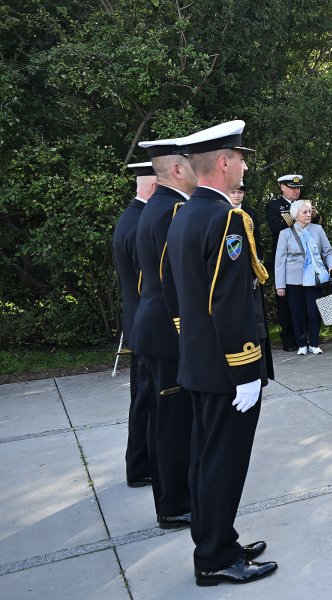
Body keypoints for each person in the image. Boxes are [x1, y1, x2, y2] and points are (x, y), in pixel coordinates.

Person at [165, 120, 277, 586]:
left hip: (199, 359)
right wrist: (246, 366)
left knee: (204, 456)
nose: (246, 165)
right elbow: (228, 302)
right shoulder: (225, 218)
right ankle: (213, 556)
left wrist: (189, 340)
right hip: (228, 367)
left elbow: (176, 294)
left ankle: (218, 537)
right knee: (222, 462)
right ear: (224, 163)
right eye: (242, 157)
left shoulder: (182, 214)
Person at [131, 139, 196, 531]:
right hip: (167, 332)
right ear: (176, 170)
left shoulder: (154, 207)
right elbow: (177, 282)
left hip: (152, 327)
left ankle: (172, 499)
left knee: (163, 420)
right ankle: (174, 505)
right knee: (173, 424)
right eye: (189, 164)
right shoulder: (172, 210)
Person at [112, 161, 155, 488]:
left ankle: (140, 464)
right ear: (153, 186)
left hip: (138, 323)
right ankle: (140, 466)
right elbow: (150, 284)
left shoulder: (132, 217)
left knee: (143, 398)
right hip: (146, 326)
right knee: (146, 401)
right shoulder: (141, 223)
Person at [275, 200, 332, 355]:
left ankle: (314, 344)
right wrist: (280, 285)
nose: (308, 214)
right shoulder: (285, 234)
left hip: (314, 278)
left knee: (313, 311)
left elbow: (328, 251)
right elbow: (280, 260)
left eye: (310, 211)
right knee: (296, 312)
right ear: (295, 215)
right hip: (293, 280)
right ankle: (302, 344)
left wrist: (331, 265)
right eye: (305, 212)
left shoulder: (318, 230)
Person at [230, 184, 274, 380]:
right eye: (234, 192)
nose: (238, 195)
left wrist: (257, 268)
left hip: (250, 269)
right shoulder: (224, 213)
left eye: (240, 192)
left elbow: (256, 242)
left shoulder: (250, 213)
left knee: (256, 316)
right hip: (233, 274)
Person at [265, 174, 303, 352]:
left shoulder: (305, 204)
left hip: (303, 259)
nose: (296, 191)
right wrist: (296, 215)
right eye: (292, 187)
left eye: (298, 188)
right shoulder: (274, 205)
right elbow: (275, 227)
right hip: (284, 259)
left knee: (304, 299)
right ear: (282, 187)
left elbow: (316, 224)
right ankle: (288, 338)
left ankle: (304, 335)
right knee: (284, 299)